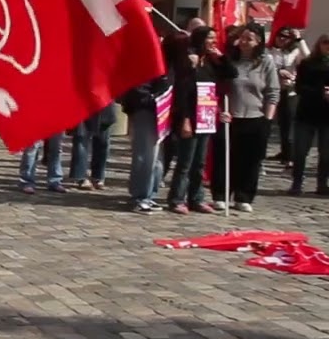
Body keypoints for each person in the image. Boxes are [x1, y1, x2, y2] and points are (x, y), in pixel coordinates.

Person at [211, 22, 281, 212]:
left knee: (250, 160)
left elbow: (272, 92)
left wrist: (267, 119)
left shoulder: (265, 61)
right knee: (224, 157)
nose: (243, 42)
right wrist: (220, 110)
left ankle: (244, 196)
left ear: (258, 42)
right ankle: (221, 194)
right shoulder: (229, 60)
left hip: (255, 116)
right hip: (229, 116)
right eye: (241, 37)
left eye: (248, 39)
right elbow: (218, 87)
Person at [166, 27, 219, 214]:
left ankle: (196, 198)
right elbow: (183, 92)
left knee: (200, 163)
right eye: (210, 38)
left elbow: (231, 73)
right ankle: (176, 199)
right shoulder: (189, 61)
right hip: (190, 116)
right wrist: (185, 119)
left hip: (206, 117)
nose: (214, 41)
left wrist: (220, 56)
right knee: (185, 162)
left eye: (215, 38)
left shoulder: (210, 61)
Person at [120, 54, 173, 214]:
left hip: (162, 110)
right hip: (146, 110)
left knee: (156, 159)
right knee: (145, 155)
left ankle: (150, 195)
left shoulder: (169, 61)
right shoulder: (142, 62)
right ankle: (139, 197)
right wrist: (154, 98)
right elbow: (137, 91)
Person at [290, 33, 329, 195]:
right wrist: (321, 92)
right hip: (307, 113)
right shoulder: (307, 64)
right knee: (300, 151)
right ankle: (297, 183)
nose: (328, 46)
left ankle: (322, 184)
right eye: (326, 42)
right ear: (319, 44)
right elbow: (299, 87)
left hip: (327, 116)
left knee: (326, 153)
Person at [270, 26, 309, 166]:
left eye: (286, 36)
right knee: (279, 124)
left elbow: (308, 57)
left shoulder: (295, 52)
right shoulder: (270, 52)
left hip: (290, 91)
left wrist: (299, 39)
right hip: (274, 90)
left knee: (289, 123)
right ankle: (284, 151)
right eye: (280, 35)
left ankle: (290, 155)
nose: (282, 38)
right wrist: (278, 71)